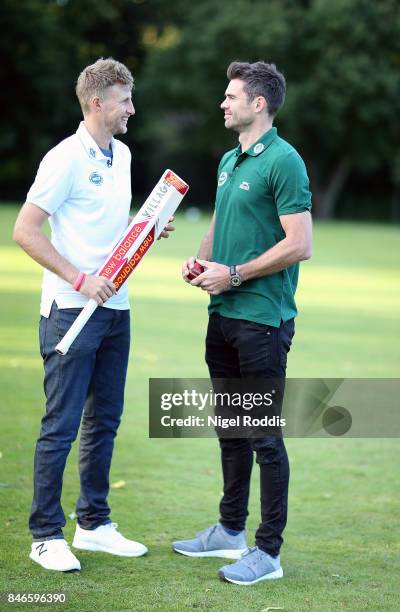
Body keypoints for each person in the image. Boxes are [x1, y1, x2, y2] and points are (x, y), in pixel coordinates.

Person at [13, 57, 173, 572]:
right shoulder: (62, 159)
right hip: (69, 312)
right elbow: (26, 230)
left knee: (104, 421)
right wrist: (79, 279)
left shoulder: (121, 154)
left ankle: (95, 525)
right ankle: (44, 535)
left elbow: (106, 222)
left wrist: (145, 233)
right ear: (97, 102)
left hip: (116, 309)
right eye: (125, 99)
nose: (133, 108)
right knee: (61, 425)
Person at [174, 61, 312, 585]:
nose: (223, 103)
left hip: (262, 320)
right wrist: (202, 261)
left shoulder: (285, 160)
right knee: (231, 430)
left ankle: (267, 552)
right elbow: (220, 220)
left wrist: (233, 275)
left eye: (232, 96)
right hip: (223, 316)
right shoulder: (231, 159)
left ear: (259, 104)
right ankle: (230, 531)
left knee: (263, 437)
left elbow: (299, 243)